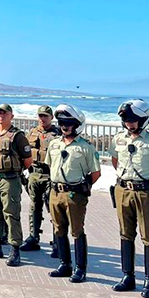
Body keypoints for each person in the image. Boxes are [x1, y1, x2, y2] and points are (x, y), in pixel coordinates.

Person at [110, 99, 149, 298]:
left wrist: (148, 186)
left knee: (148, 236)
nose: (129, 124)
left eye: (133, 120)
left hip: (146, 194)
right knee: (125, 234)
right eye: (126, 120)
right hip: (123, 191)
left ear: (143, 120)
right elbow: (115, 161)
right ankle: (128, 276)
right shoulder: (119, 139)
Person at [45, 104, 100, 283]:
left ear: (77, 125)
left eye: (68, 123)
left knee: (77, 231)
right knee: (58, 229)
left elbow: (95, 173)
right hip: (55, 192)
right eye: (62, 122)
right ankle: (64, 264)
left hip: (75, 194)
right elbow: (49, 166)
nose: (64, 126)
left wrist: (83, 188)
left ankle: (80, 268)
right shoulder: (54, 144)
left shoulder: (86, 148)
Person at [0, 103, 32, 266]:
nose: (1, 115)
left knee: (11, 214)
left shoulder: (17, 136)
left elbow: (28, 161)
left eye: (4, 113)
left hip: (9, 180)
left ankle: (15, 250)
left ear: (11, 116)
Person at [21, 105, 61, 252]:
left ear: (51, 118)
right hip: (34, 173)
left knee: (53, 209)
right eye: (40, 116)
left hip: (50, 175)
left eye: (45, 116)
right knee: (34, 207)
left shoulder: (57, 134)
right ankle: (33, 237)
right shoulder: (32, 132)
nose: (42, 119)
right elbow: (24, 152)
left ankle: (58, 240)